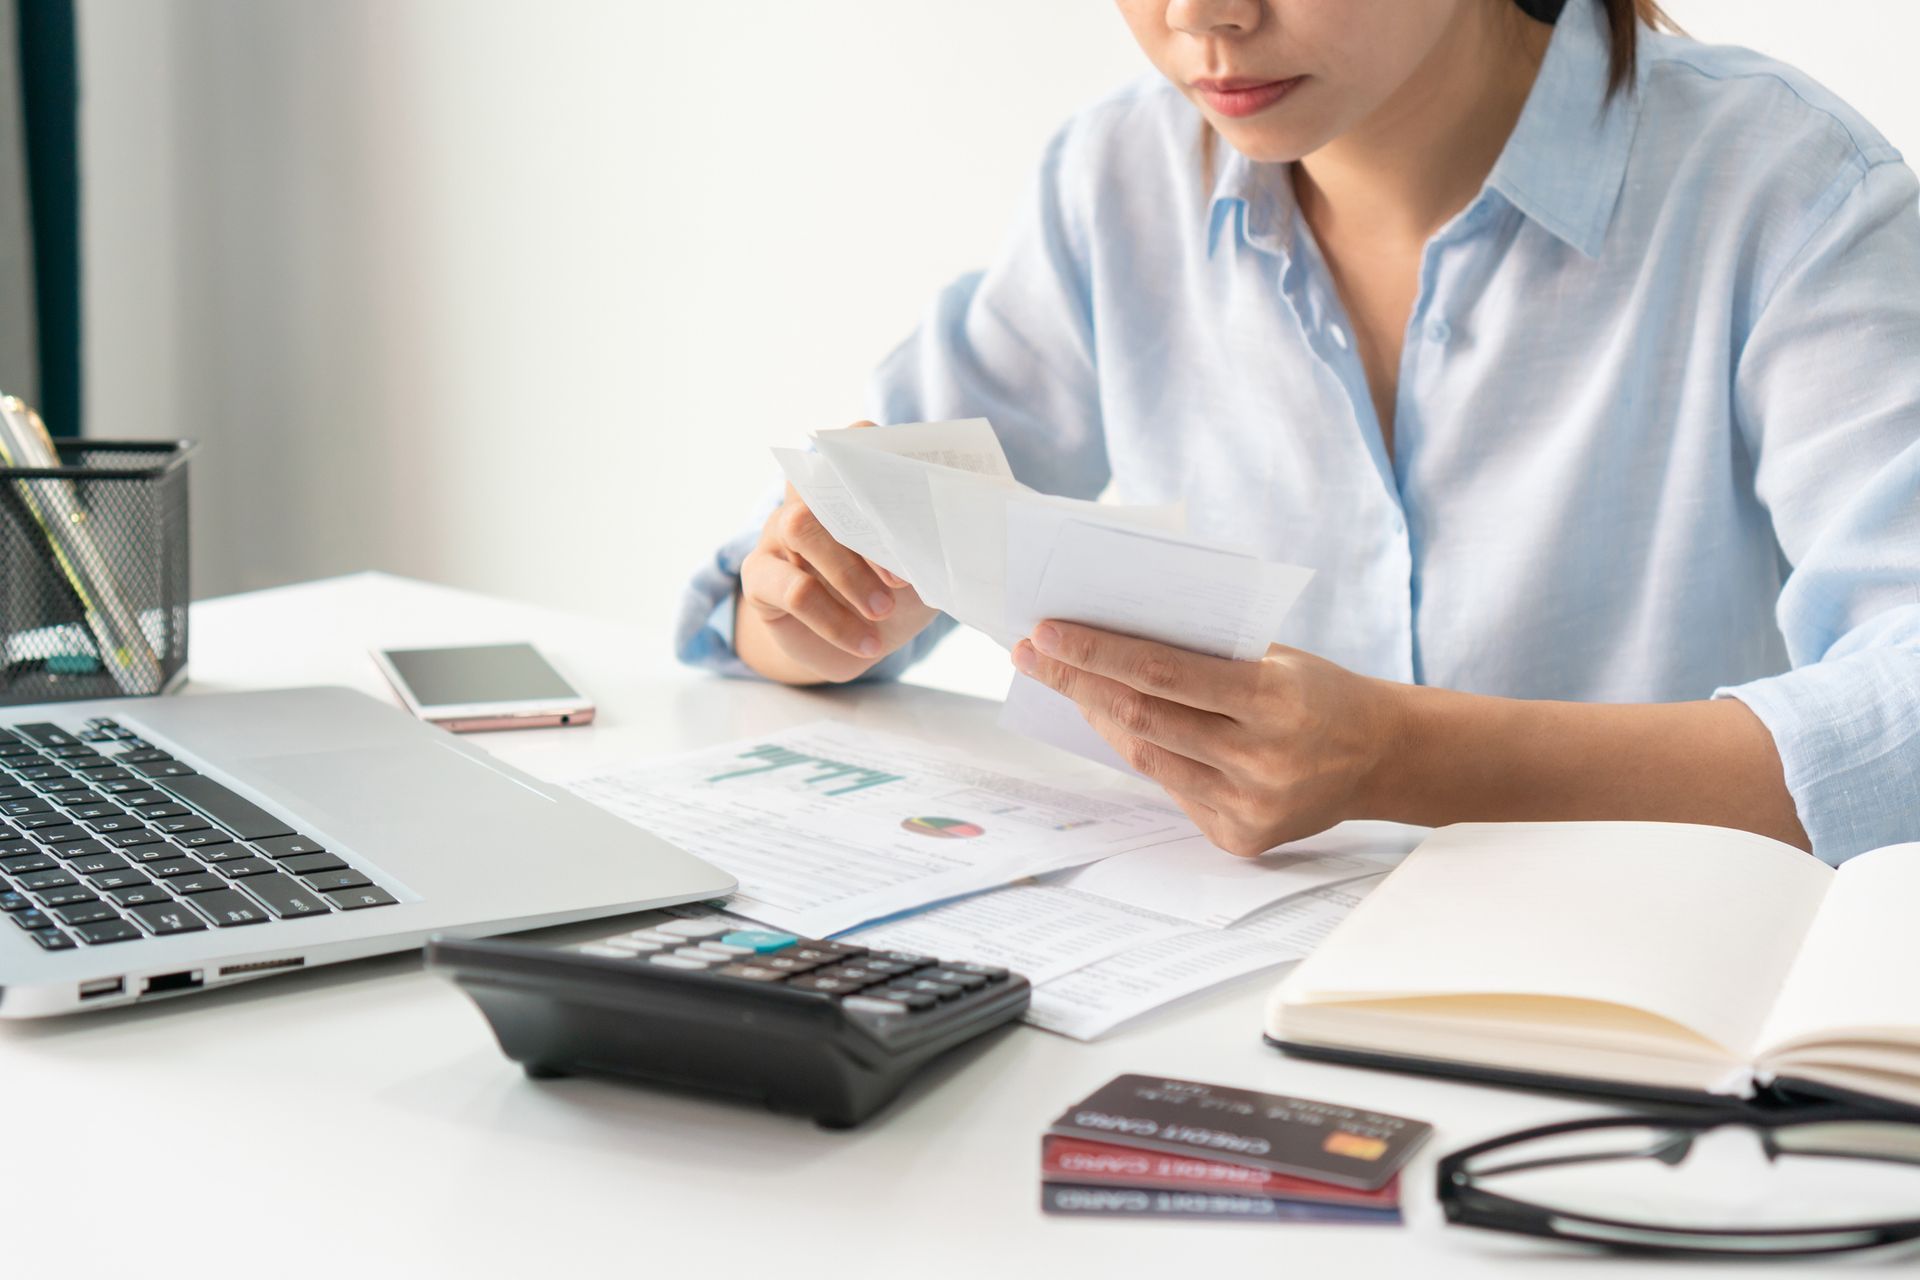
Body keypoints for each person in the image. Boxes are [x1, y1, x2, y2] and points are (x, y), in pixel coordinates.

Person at [678, 0, 1920, 867]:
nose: (1202, 16)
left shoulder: (1787, 191)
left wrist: (1400, 756)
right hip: (1229, 1002)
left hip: (1654, 1018)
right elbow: (818, 565)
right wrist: (811, 605)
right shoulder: (1121, 177)